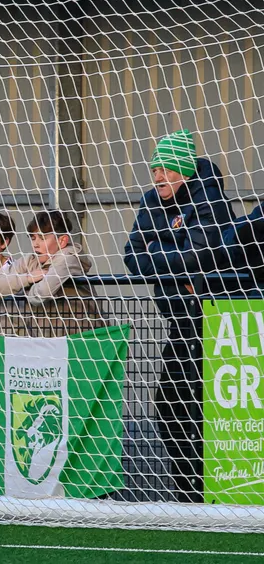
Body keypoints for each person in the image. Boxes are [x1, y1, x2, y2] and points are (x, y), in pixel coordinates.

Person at [123, 129, 234, 504]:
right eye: (154, 169)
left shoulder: (209, 200)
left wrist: (160, 247)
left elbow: (201, 257)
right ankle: (187, 495)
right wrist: (173, 254)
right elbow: (131, 258)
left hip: (218, 323)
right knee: (169, 404)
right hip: (180, 323)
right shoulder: (153, 200)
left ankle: (214, 492)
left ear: (184, 171)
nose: (158, 176)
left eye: (166, 169)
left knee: (210, 408)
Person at [0, 210, 102, 337]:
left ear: (62, 241)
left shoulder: (68, 258)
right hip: (46, 343)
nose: (35, 244)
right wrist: (27, 279)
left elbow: (40, 295)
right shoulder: (30, 260)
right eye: (33, 238)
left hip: (84, 340)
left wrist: (23, 291)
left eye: (42, 238)